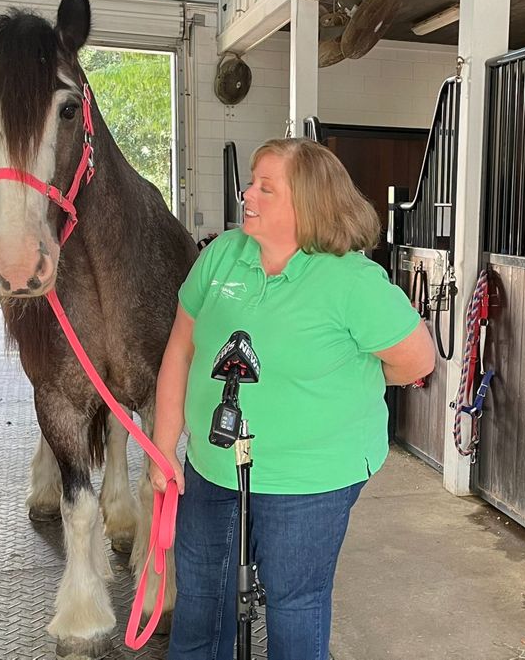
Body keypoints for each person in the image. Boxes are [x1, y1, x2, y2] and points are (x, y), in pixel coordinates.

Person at [149, 137, 435, 659]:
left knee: (294, 604)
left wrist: (333, 394)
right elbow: (181, 349)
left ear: (308, 203)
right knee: (199, 602)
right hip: (211, 467)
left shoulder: (355, 282)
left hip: (312, 477)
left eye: (265, 186)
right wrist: (162, 448)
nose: (247, 194)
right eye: (250, 182)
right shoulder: (222, 256)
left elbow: (417, 362)